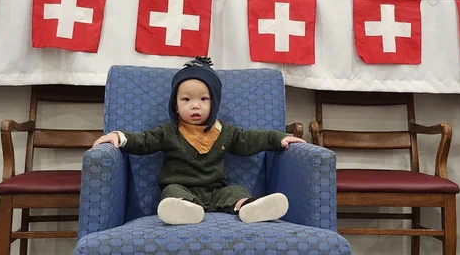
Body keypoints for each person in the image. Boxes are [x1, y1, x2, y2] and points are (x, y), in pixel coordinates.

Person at [93, 57, 306, 225]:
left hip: (216, 190)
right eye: (186, 99)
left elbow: (250, 139)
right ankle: (182, 210)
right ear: (176, 106)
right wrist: (119, 137)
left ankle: (249, 207)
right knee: (171, 192)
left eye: (204, 99)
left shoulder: (224, 131)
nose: (195, 106)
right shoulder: (168, 132)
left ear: (214, 104)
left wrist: (279, 138)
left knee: (236, 191)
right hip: (182, 188)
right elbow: (144, 141)